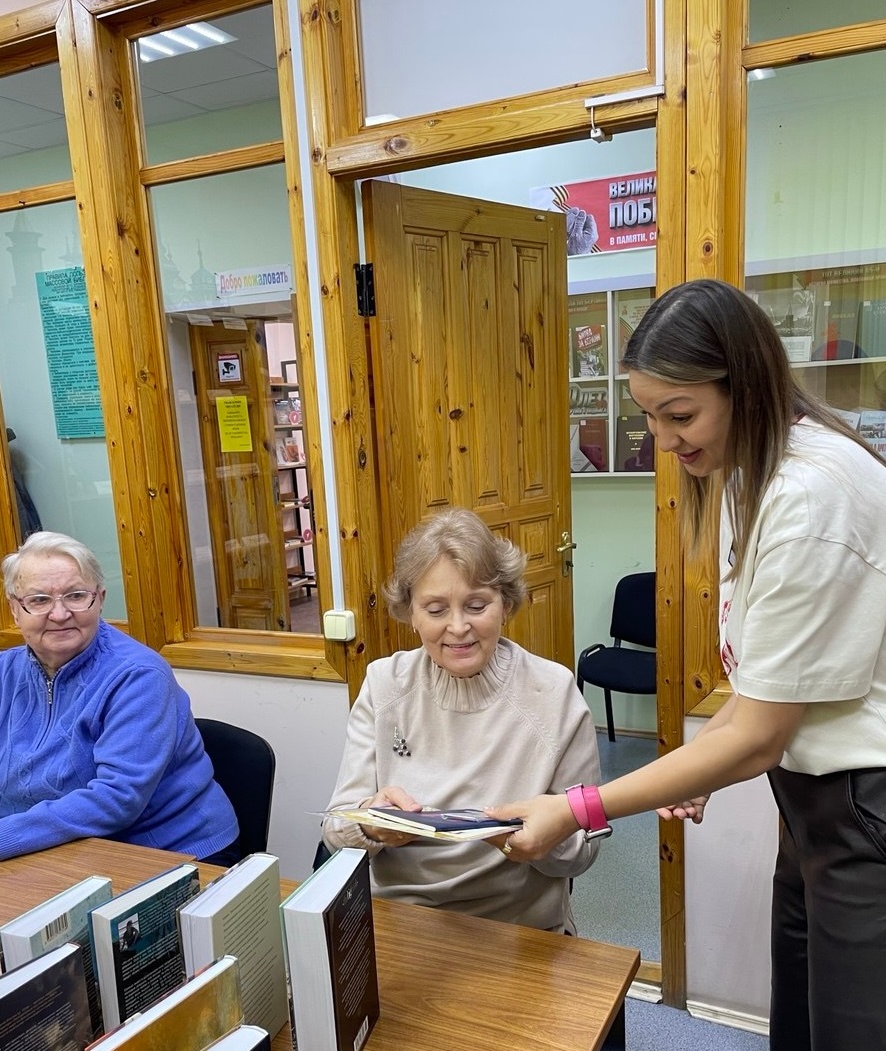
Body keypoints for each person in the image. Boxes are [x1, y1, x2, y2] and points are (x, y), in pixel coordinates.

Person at [488, 278, 886, 1049]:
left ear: (747, 386)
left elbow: (759, 734)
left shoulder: (811, 495)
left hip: (860, 803)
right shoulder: (752, 470)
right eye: (648, 415)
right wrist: (700, 760)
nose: (662, 439)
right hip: (812, 801)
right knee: (801, 1018)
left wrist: (577, 807)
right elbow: (772, 675)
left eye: (679, 414)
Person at [322, 508, 601, 934]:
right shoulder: (384, 684)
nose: (458, 627)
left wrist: (542, 841)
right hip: (403, 922)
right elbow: (335, 829)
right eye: (435, 610)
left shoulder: (553, 692)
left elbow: (584, 851)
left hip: (519, 929)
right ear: (411, 614)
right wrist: (373, 825)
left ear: (505, 604)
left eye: (476, 605)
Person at [0, 531, 240, 864]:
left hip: (165, 851)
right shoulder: (4, 670)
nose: (59, 614)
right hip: (55, 848)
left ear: (99, 599)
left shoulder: (138, 675)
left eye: (76, 596)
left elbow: (117, 798)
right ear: (15, 609)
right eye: (39, 600)